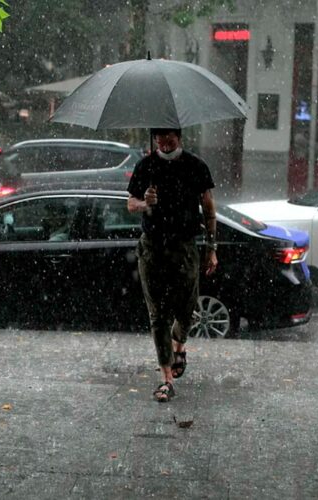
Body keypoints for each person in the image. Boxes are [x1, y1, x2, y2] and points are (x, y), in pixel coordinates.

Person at [127, 128, 218, 403]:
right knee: (158, 315)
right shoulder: (146, 165)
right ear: (154, 140)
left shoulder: (195, 166)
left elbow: (209, 209)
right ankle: (166, 379)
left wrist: (212, 248)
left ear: (180, 138)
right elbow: (130, 203)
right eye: (160, 141)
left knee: (187, 309)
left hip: (185, 246)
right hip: (153, 247)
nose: (165, 146)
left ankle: (179, 345)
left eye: (170, 141)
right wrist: (145, 203)